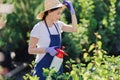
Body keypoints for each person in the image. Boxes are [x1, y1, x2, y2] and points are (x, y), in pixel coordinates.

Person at [28, 0, 77, 79]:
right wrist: (47, 49)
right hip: (42, 69)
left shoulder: (58, 25)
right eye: (58, 13)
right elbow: (30, 50)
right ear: (50, 12)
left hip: (57, 67)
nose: (60, 16)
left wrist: (72, 12)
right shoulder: (38, 28)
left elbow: (74, 29)